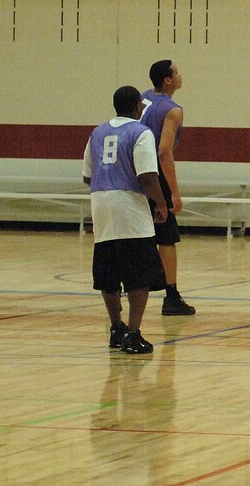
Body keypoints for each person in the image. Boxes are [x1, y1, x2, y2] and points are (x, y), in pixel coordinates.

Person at [84, 85, 169, 354]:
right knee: (138, 274)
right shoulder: (140, 132)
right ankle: (134, 332)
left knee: (108, 271)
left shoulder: (97, 132)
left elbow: (87, 175)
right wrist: (161, 202)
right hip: (129, 206)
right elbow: (147, 175)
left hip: (100, 204)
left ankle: (116, 328)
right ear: (137, 107)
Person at [139, 60, 194, 316]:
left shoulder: (144, 98)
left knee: (136, 233)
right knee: (168, 237)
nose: (181, 75)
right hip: (154, 174)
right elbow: (164, 151)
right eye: (177, 72)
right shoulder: (172, 110)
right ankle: (171, 296)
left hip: (134, 172)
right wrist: (173, 191)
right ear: (168, 80)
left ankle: (130, 286)